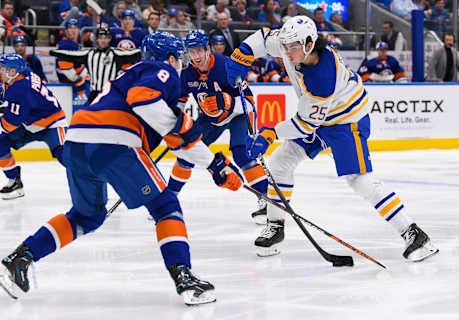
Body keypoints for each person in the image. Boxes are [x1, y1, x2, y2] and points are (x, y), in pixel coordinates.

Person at [0, 32, 243, 305]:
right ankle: (184, 278)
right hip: (115, 142)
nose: (182, 64)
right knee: (165, 206)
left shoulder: (133, 72)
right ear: (171, 58)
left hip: (77, 141)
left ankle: (20, 257)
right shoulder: (163, 70)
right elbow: (145, 102)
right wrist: (191, 137)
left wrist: (214, 165)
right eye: (181, 58)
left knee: (86, 216)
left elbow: (173, 136)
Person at [225, 15, 439, 261]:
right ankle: (275, 226)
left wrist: (270, 133)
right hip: (320, 117)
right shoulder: (291, 45)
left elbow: (305, 124)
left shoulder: (322, 77)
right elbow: (263, 38)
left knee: (360, 180)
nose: (286, 51)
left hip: (347, 122)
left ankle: (413, 232)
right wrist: (241, 54)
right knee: (281, 161)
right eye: (285, 46)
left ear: (308, 44)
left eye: (292, 47)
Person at [168, 30, 268, 225]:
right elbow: (179, 101)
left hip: (238, 115)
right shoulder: (187, 72)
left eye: (199, 51)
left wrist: (229, 103)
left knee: (242, 154)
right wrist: (174, 118)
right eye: (191, 52)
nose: (195, 57)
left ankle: (266, 201)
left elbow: (249, 103)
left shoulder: (227, 66)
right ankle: (168, 199)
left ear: (207, 49)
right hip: (210, 120)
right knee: (187, 152)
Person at [0, 53, 67, 200]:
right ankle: (14, 181)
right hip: (30, 124)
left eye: (2, 68)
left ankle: (91, 179)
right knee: (1, 144)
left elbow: (9, 125)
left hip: (52, 124)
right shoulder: (25, 73)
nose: (0, 71)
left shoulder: (19, 89)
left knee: (64, 155)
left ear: (13, 71)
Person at [46, 28, 142, 104]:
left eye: (105, 37)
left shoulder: (116, 53)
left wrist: (147, 49)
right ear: (97, 39)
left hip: (110, 93)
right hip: (94, 94)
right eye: (100, 37)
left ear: (109, 39)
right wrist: (52, 52)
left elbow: (134, 53)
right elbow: (70, 54)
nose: (103, 40)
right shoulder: (89, 53)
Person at [56, 18, 89, 104]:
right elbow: (66, 70)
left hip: (75, 83)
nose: (73, 30)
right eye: (70, 28)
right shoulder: (64, 44)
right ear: (66, 31)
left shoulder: (76, 44)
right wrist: (82, 78)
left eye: (75, 28)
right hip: (70, 85)